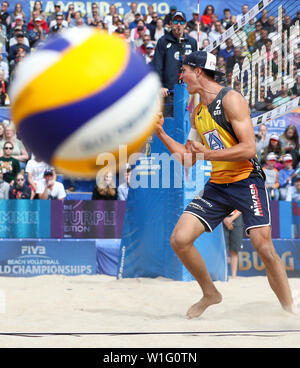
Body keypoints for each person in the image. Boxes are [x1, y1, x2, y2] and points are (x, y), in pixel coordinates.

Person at [155, 50, 296, 317]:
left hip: (246, 181)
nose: (180, 75)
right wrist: (160, 132)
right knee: (180, 240)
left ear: (197, 72)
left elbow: (248, 149)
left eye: (183, 70)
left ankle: (289, 311)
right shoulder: (197, 112)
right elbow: (187, 159)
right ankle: (210, 293)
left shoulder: (230, 99)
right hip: (218, 186)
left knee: (263, 246)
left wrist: (205, 154)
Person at [151, 11, 197, 117]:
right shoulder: (163, 41)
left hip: (187, 92)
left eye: (181, 21)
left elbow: (196, 67)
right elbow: (157, 66)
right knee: (168, 125)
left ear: (185, 24)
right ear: (171, 23)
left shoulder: (192, 42)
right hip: (168, 92)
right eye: (176, 21)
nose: (178, 24)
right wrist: (160, 86)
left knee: (186, 126)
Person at [223, 210, 243, 278]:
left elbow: (241, 206)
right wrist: (225, 219)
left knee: (234, 250)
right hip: (221, 218)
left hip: (237, 218)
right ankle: (224, 275)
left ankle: (234, 275)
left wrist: (231, 219)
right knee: (223, 250)